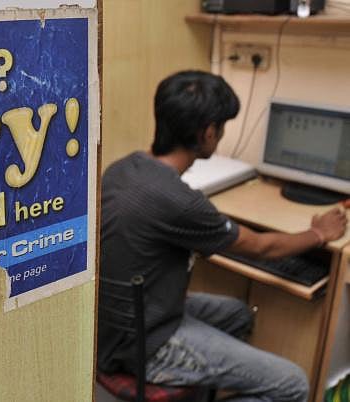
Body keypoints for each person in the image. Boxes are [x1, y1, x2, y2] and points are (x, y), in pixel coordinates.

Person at [97, 70, 348, 402]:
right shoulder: (179, 201)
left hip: (116, 324)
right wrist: (318, 233)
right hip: (144, 345)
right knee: (294, 384)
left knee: (238, 314)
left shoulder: (121, 169)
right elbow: (261, 247)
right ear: (208, 132)